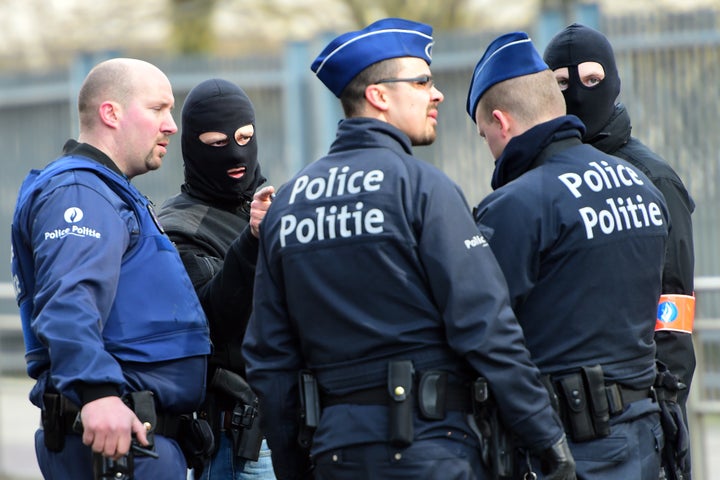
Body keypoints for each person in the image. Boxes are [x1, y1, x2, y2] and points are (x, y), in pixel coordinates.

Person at [242, 18, 575, 480]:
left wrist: (296, 467)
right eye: (421, 82)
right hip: (432, 449)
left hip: (336, 454)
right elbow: (486, 327)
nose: (436, 95)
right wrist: (546, 439)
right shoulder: (423, 188)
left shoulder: (290, 203)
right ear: (379, 95)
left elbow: (269, 359)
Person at [466, 32, 669, 479]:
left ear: (502, 123)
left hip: (571, 449)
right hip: (645, 436)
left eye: (484, 136)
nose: (491, 150)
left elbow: (482, 331)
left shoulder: (516, 206)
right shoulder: (643, 186)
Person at [10, 58, 212, 479]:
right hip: (113, 441)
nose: (171, 125)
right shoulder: (81, 192)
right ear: (111, 113)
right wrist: (97, 392)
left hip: (134, 440)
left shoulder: (106, 192)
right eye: (158, 109)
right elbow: (68, 300)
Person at [543, 25, 695, 476]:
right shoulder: (538, 179)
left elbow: (674, 308)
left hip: (639, 419)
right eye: (562, 85)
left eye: (591, 81)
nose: (578, 96)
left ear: (612, 81)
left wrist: (666, 408)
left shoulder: (654, 179)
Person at [157, 78, 276, 480]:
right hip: (244, 443)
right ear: (193, 145)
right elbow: (210, 319)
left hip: (304, 432)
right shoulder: (179, 227)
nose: (237, 152)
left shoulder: (278, 205)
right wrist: (253, 241)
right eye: (217, 142)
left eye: (245, 137)